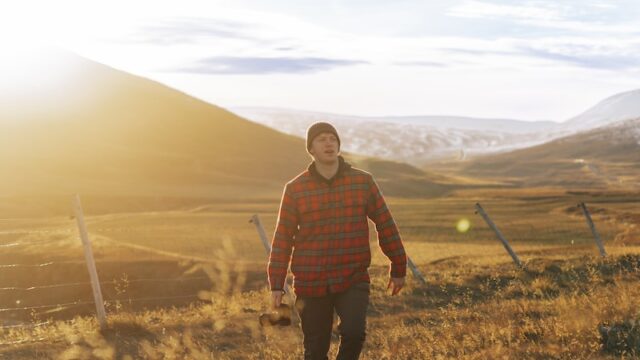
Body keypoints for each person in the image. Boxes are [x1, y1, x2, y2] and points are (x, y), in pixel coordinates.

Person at [267, 122, 408, 360]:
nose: (328, 143)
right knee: (316, 348)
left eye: (332, 138)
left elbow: (385, 223)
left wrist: (398, 265)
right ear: (311, 148)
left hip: (352, 276)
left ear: (339, 145)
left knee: (354, 333)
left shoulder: (363, 182)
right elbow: (283, 237)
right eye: (321, 139)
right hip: (311, 281)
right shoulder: (295, 189)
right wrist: (276, 283)